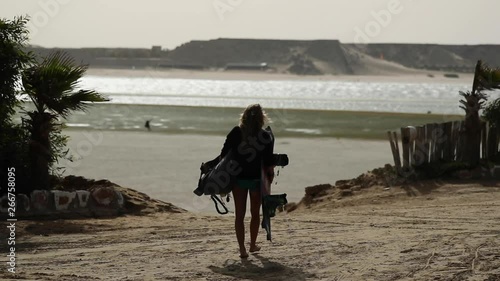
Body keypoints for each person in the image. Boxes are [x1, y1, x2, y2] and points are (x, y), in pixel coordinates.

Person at [219, 104, 275, 258]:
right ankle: (252, 245)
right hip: (256, 180)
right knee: (255, 214)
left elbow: (223, 154)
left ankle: (242, 249)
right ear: (261, 118)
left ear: (243, 116)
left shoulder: (236, 132)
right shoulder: (265, 136)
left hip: (238, 179)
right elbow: (269, 160)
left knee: (239, 215)